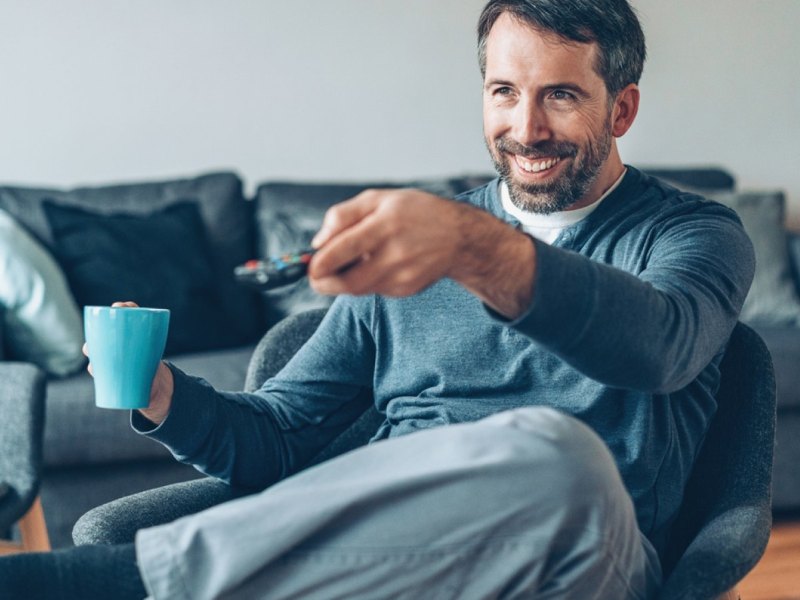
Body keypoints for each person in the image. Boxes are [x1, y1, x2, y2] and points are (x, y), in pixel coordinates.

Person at [1, 0, 754, 598]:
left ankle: (101, 588)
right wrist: (164, 392)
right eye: (504, 92)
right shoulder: (416, 247)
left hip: (585, 562)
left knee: (561, 453)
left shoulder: (694, 236)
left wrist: (471, 247)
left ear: (621, 110)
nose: (525, 129)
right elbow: (278, 439)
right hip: (395, 565)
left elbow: (659, 347)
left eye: (560, 96)